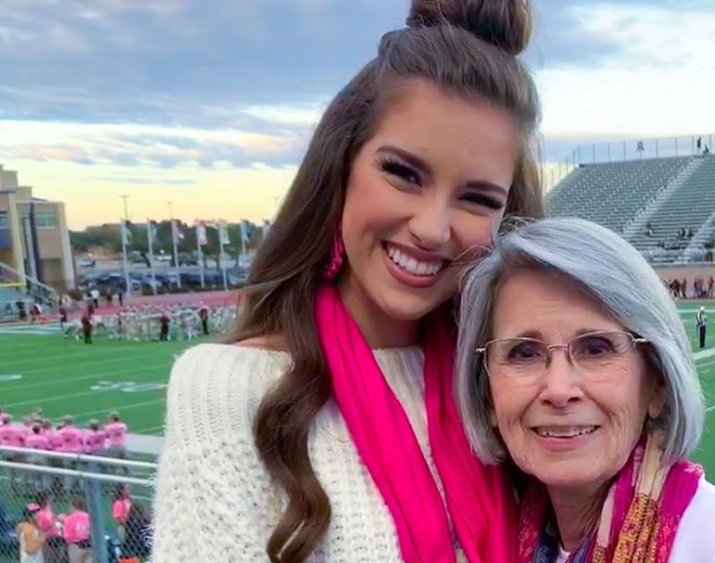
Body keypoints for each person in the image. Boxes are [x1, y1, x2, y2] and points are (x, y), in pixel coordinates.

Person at [152, 1, 544, 561]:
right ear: (341, 167)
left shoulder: (500, 382)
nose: (432, 229)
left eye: (477, 199)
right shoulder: (226, 389)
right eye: (403, 173)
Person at [454, 217, 715, 562]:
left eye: (596, 348)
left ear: (657, 383)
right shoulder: (504, 539)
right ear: (486, 392)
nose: (559, 389)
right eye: (524, 353)